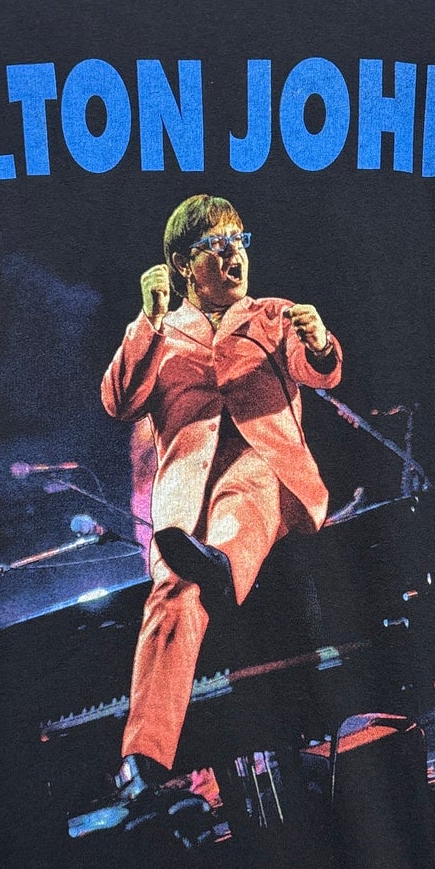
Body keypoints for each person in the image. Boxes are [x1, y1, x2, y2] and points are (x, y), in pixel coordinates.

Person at [100, 194, 342, 817]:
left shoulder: (271, 315)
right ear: (184, 265)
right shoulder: (159, 333)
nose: (235, 255)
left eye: (240, 240)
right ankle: (142, 760)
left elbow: (318, 370)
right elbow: (119, 401)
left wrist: (318, 342)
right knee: (171, 594)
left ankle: (224, 562)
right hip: (186, 509)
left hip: (269, 479)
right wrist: (147, 321)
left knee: (250, 482)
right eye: (217, 245)